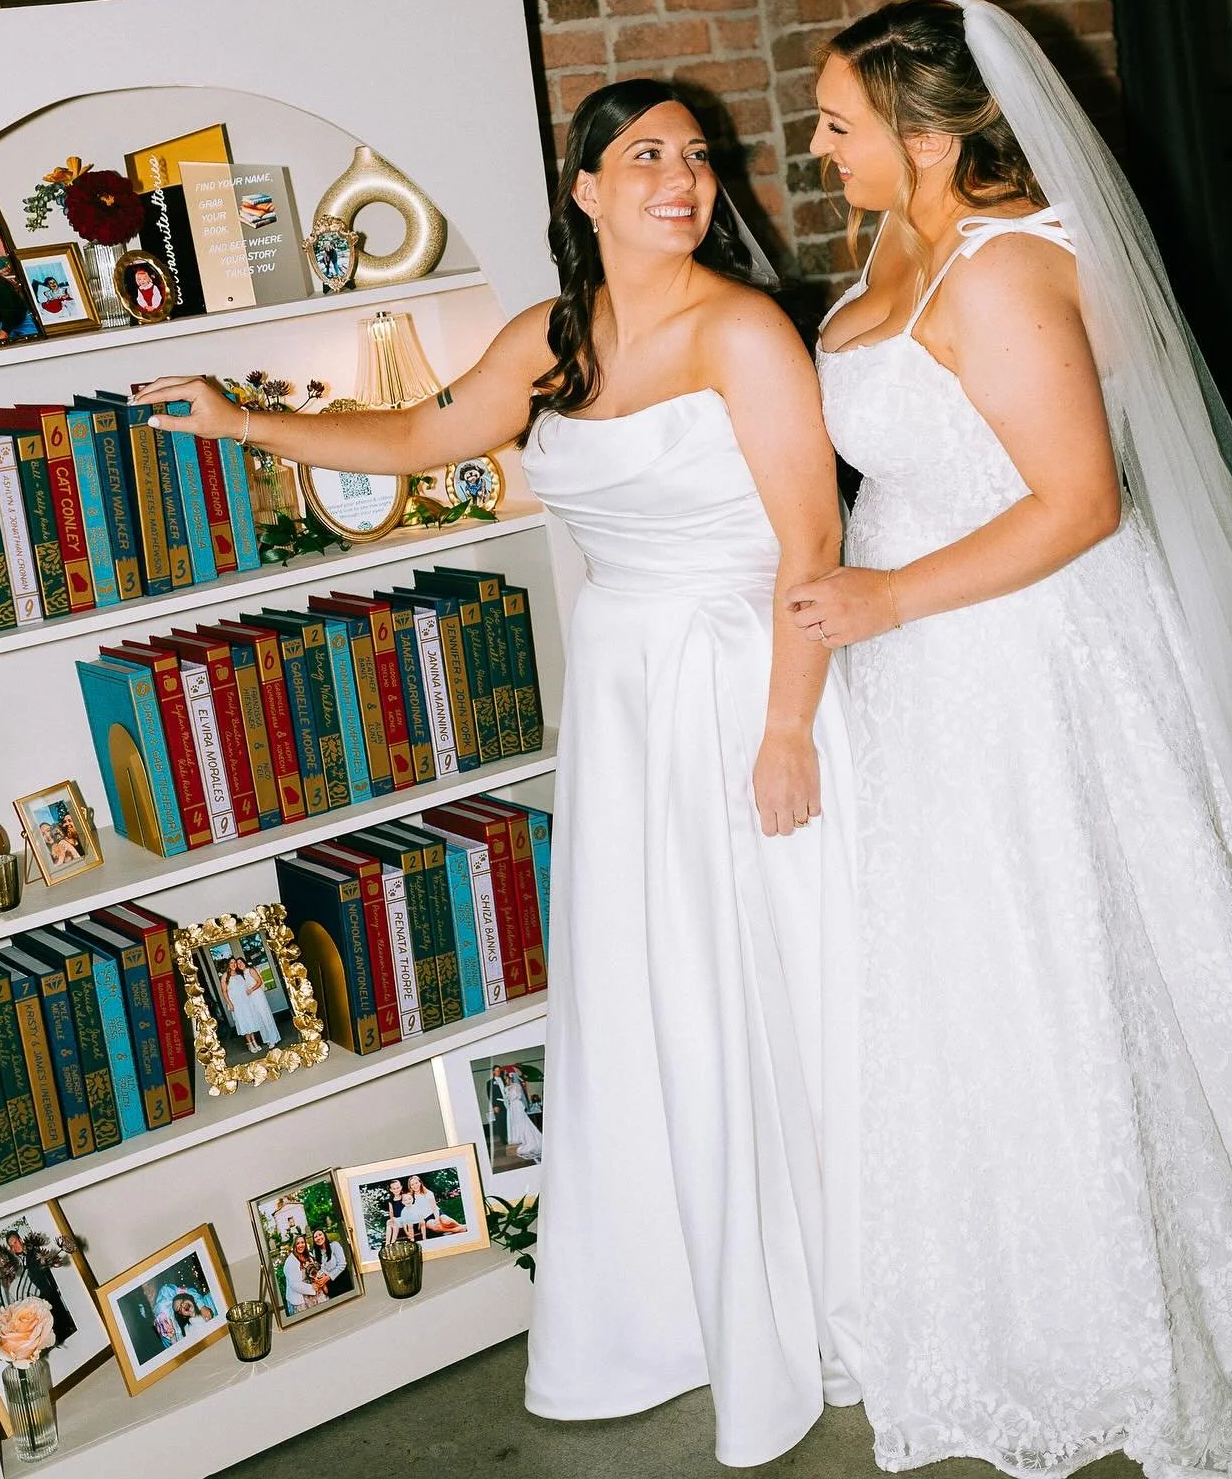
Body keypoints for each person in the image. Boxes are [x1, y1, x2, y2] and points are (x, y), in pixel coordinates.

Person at [132, 75, 862, 1468]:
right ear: (582, 189)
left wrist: (784, 729)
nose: (680, 178)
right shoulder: (548, 337)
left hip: (744, 682)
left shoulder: (746, 330)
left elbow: (811, 543)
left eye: (697, 157)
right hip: (629, 700)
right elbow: (420, 439)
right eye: (643, 154)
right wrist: (244, 424)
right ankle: (677, 1299)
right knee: (654, 997)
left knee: (760, 984)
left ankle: (815, 1280)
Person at [794, 0, 1232, 1478]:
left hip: (1021, 653)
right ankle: (998, 1293)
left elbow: (1077, 502)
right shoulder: (892, 238)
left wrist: (887, 596)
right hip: (923, 660)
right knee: (968, 978)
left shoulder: (1003, 270)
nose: (817, 146)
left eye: (841, 124)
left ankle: (1125, 1316)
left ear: (929, 136)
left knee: (1064, 959)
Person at [221, 954, 280, 1054]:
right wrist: (229, 1003)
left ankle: (265, 1040)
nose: (235, 964)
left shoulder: (244, 973)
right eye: (233, 963)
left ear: (243, 963)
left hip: (251, 1000)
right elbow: (224, 991)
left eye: (237, 962)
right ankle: (253, 1043)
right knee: (248, 1022)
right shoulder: (227, 976)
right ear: (228, 965)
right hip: (240, 1004)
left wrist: (251, 990)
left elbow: (257, 983)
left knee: (257, 1020)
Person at [503, 1067, 543, 1163]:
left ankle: (526, 1139)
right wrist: (507, 1099)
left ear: (510, 1077)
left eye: (506, 1077)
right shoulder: (507, 1087)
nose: (505, 1079)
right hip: (512, 1106)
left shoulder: (516, 1085)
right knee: (514, 1122)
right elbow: (508, 1096)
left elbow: (519, 1096)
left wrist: (511, 1098)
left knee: (521, 1121)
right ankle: (517, 1138)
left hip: (517, 1105)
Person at [281, 1236, 324, 1315]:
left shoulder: (309, 1255)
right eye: (298, 1243)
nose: (301, 1245)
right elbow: (295, 1285)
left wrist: (320, 1280)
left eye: (302, 1242)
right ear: (294, 1246)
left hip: (314, 1296)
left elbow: (317, 1270)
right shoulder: (290, 1262)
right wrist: (313, 1287)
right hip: (299, 1301)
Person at [309, 1228, 350, 1299]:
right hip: (330, 1284)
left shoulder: (334, 1245)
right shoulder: (315, 1252)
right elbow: (319, 1268)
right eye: (315, 1237)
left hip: (341, 1279)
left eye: (320, 1235)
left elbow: (342, 1264)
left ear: (324, 1235)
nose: (318, 1238)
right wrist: (320, 1280)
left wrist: (328, 1277)